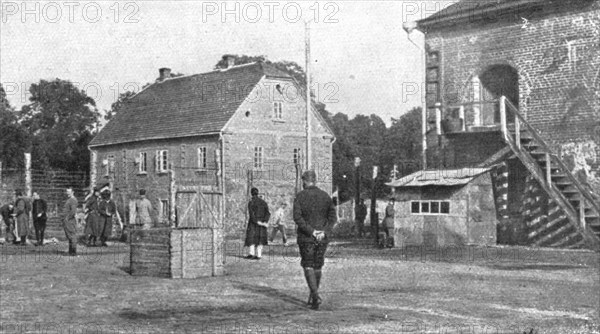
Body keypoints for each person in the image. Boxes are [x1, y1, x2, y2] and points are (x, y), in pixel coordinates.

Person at [293, 170, 337, 310]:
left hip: (306, 237)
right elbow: (332, 218)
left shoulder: (300, 196)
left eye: (303, 181)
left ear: (305, 181)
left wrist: (312, 231)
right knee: (317, 265)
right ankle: (314, 297)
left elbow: (297, 218)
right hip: (323, 238)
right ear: (315, 180)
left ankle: (315, 294)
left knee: (308, 265)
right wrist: (324, 232)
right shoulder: (325, 196)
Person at [244, 187, 270, 260]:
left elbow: (251, 215)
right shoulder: (263, 202)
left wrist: (257, 222)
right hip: (262, 223)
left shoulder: (251, 202)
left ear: (251, 193)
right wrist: (264, 222)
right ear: (257, 193)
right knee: (260, 238)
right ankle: (259, 255)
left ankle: (251, 254)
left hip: (253, 223)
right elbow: (268, 214)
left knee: (251, 238)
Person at [63, 187, 79, 256]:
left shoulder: (73, 200)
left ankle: (73, 252)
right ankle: (70, 251)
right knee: (69, 236)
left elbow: (73, 211)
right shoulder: (69, 200)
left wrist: (67, 218)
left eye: (69, 191)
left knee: (72, 235)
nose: (67, 193)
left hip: (70, 220)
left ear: (73, 192)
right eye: (67, 191)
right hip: (68, 220)